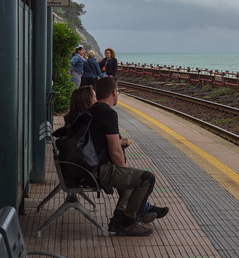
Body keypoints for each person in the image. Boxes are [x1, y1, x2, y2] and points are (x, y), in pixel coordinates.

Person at [61, 85, 168, 228]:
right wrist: (121, 142)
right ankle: (125, 218)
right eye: (93, 97)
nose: (96, 99)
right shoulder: (88, 120)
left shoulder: (78, 121)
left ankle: (142, 210)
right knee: (136, 177)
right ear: (85, 100)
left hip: (81, 169)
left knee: (127, 174)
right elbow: (104, 147)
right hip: (90, 172)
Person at [90, 77, 157, 236]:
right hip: (96, 170)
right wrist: (124, 170)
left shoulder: (92, 110)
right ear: (114, 93)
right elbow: (115, 151)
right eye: (118, 91)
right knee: (147, 179)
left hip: (85, 166)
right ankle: (128, 223)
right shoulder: (108, 113)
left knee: (132, 178)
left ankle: (119, 219)